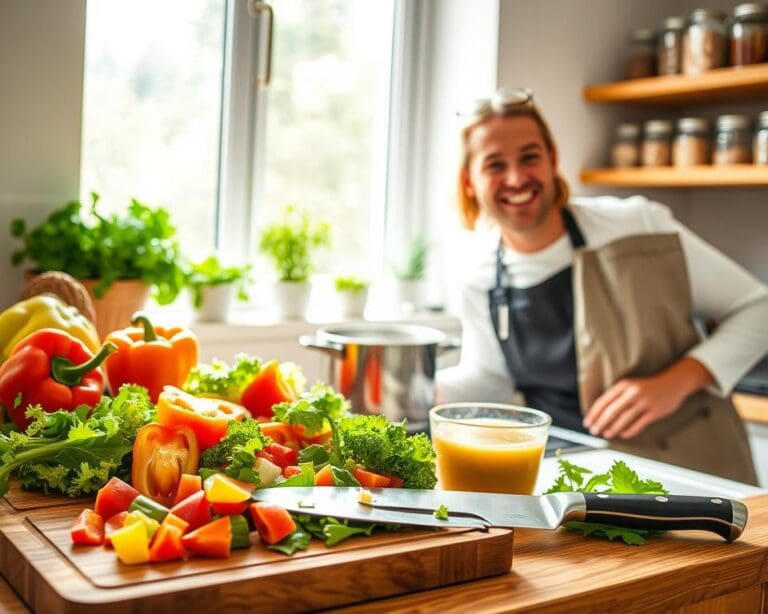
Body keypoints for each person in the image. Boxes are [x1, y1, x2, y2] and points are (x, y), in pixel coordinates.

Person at [436, 88, 768, 483]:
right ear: (469, 181)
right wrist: (407, 386)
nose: (516, 178)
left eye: (529, 157)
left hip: (687, 466)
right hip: (569, 474)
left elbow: (759, 308)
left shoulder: (638, 226)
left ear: (552, 159)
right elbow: (491, 379)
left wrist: (679, 380)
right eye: (495, 165)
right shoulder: (477, 276)